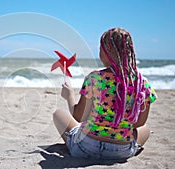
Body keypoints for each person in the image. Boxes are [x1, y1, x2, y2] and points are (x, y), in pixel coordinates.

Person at [53, 28, 157, 160]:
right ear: (129, 52)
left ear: (105, 52)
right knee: (146, 129)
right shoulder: (141, 83)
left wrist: (69, 96)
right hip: (121, 151)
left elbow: (79, 117)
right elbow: (139, 123)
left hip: (86, 147)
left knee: (58, 114)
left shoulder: (95, 78)